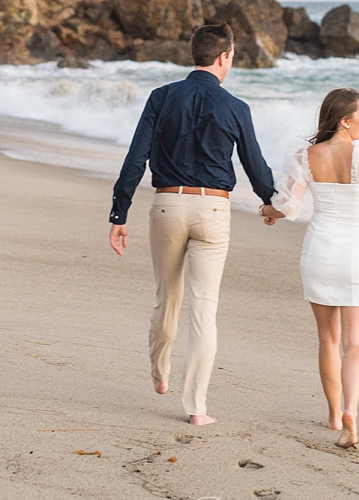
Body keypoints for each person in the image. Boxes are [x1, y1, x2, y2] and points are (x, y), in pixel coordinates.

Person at [109, 22, 277, 425]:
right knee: (205, 308)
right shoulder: (236, 107)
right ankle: (197, 408)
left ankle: (159, 370)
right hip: (214, 211)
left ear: (195, 54)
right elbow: (255, 166)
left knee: (166, 297)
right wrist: (271, 202)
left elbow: (137, 158)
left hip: (167, 205)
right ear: (225, 57)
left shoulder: (161, 97)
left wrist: (120, 212)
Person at [262, 87, 359, 449]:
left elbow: (288, 204)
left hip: (321, 251)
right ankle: (351, 412)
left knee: (328, 340)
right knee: (355, 343)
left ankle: (331, 415)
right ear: (345, 120)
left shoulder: (305, 156)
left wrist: (269, 213)